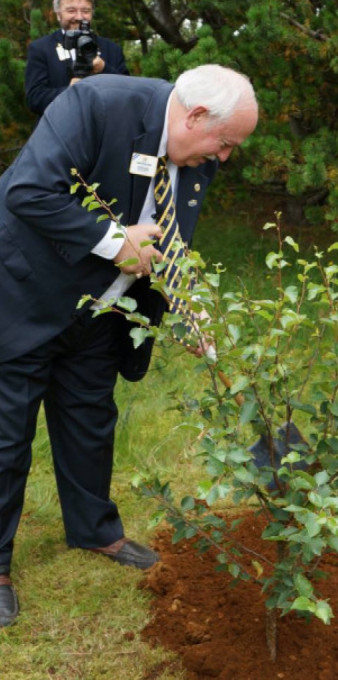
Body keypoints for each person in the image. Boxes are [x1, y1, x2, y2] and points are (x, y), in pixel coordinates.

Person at [0, 64, 259, 628]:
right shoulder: (96, 105)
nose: (224, 158)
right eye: (226, 142)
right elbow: (26, 190)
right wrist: (115, 241)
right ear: (194, 117)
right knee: (6, 433)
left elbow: (171, 238)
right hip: (26, 295)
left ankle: (95, 531)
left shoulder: (195, 155)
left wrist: (189, 308)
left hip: (103, 309)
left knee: (90, 415)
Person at [24, 0, 130, 115]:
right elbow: (35, 99)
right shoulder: (41, 49)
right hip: (60, 130)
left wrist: (104, 69)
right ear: (58, 14)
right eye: (71, 11)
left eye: (85, 11)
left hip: (104, 131)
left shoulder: (111, 49)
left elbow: (128, 94)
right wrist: (70, 90)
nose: (79, 17)